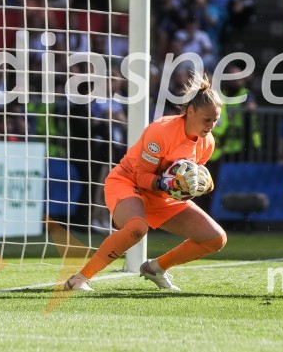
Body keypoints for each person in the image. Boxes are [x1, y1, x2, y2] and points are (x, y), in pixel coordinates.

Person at [64, 75, 226, 292]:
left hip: (160, 195)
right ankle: (79, 279)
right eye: (207, 119)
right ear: (190, 111)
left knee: (216, 239)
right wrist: (168, 185)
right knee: (137, 228)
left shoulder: (208, 142)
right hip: (128, 182)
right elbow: (142, 177)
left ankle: (156, 268)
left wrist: (200, 186)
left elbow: (186, 184)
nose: (211, 125)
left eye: (215, 120)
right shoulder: (161, 131)